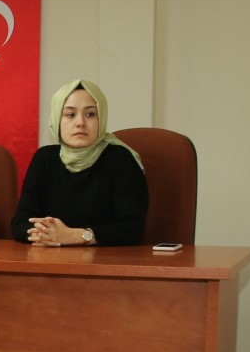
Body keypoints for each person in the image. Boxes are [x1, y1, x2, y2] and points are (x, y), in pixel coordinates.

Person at [12, 79, 148, 246]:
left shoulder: (121, 159)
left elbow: (132, 229)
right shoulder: (44, 158)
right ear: (57, 119)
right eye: (70, 114)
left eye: (90, 114)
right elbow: (21, 221)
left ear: (101, 119)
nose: (80, 123)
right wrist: (43, 235)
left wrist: (77, 236)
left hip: (106, 259)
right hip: (50, 257)